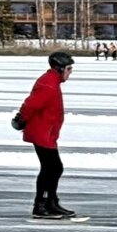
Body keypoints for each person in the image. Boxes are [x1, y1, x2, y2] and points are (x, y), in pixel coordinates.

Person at [17, 50, 77, 219]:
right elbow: (31, 104)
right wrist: (20, 118)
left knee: (53, 168)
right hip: (41, 132)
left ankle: (50, 202)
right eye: (69, 69)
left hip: (47, 132)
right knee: (52, 168)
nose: (70, 72)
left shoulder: (52, 81)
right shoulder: (48, 84)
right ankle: (42, 205)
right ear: (59, 69)